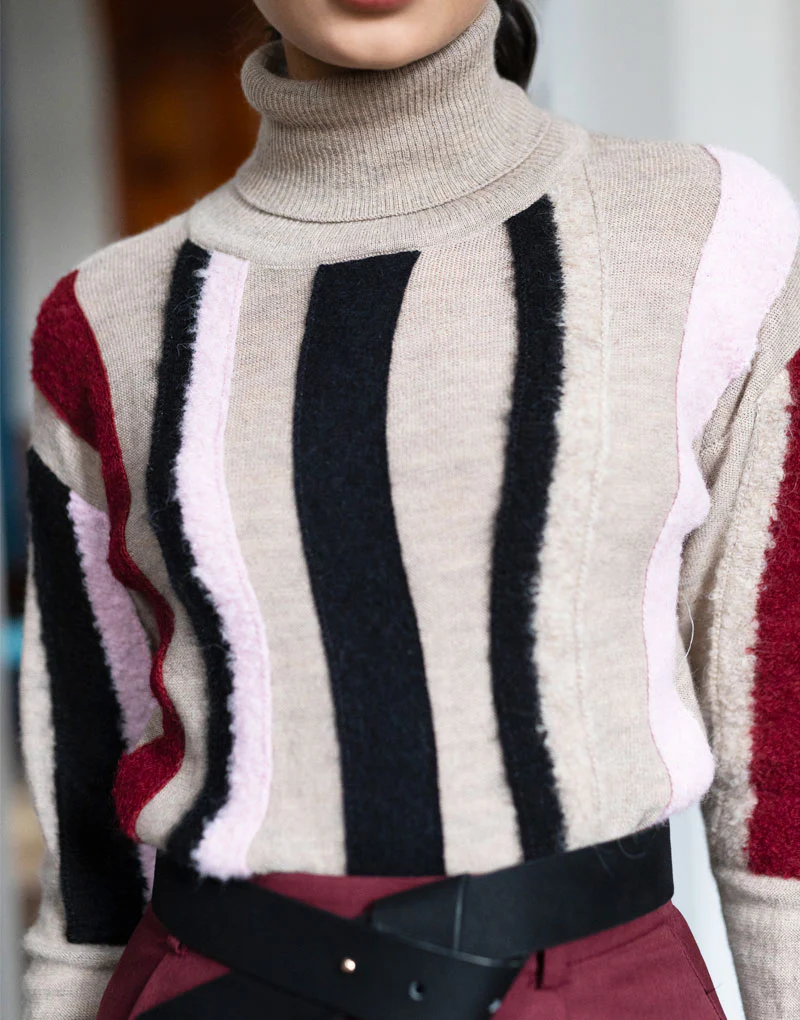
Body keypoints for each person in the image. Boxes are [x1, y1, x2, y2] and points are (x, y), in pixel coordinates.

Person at [18, 0, 800, 1017]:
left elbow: (779, 756)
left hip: (597, 989)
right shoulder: (102, 319)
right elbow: (87, 830)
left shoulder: (707, 233)